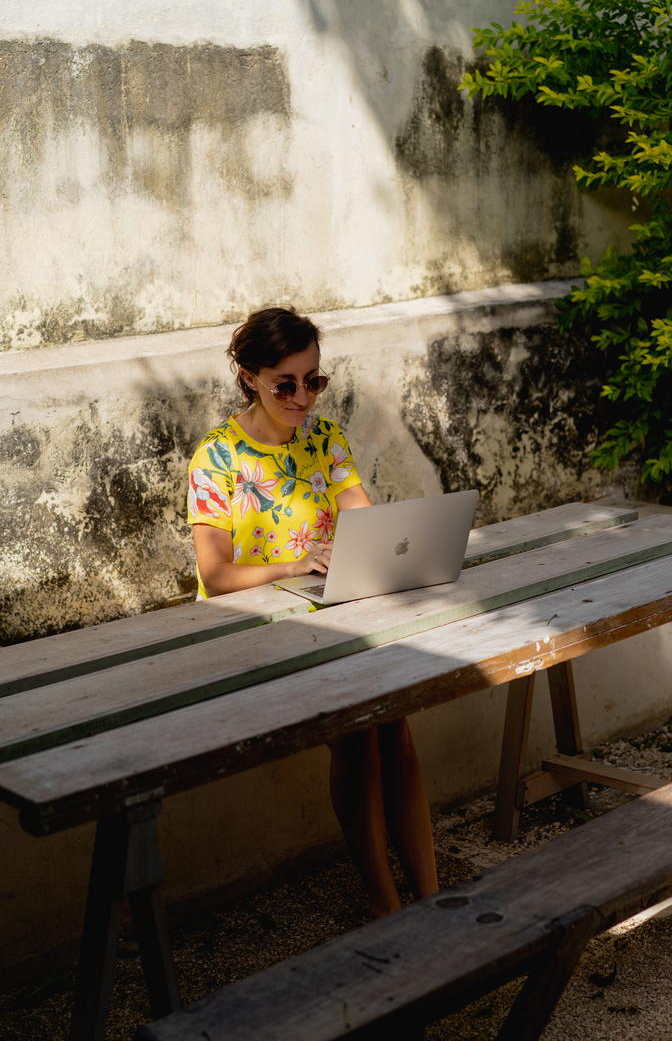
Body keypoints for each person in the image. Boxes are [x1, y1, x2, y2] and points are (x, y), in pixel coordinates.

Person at [187, 305, 439, 916]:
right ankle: (384, 900)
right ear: (249, 376)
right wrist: (295, 565)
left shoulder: (324, 439)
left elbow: (366, 521)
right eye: (287, 384)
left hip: (327, 614)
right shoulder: (216, 459)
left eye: (314, 381)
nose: (304, 397)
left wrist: (390, 549)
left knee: (393, 720)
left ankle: (429, 896)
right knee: (359, 732)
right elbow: (217, 577)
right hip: (251, 628)